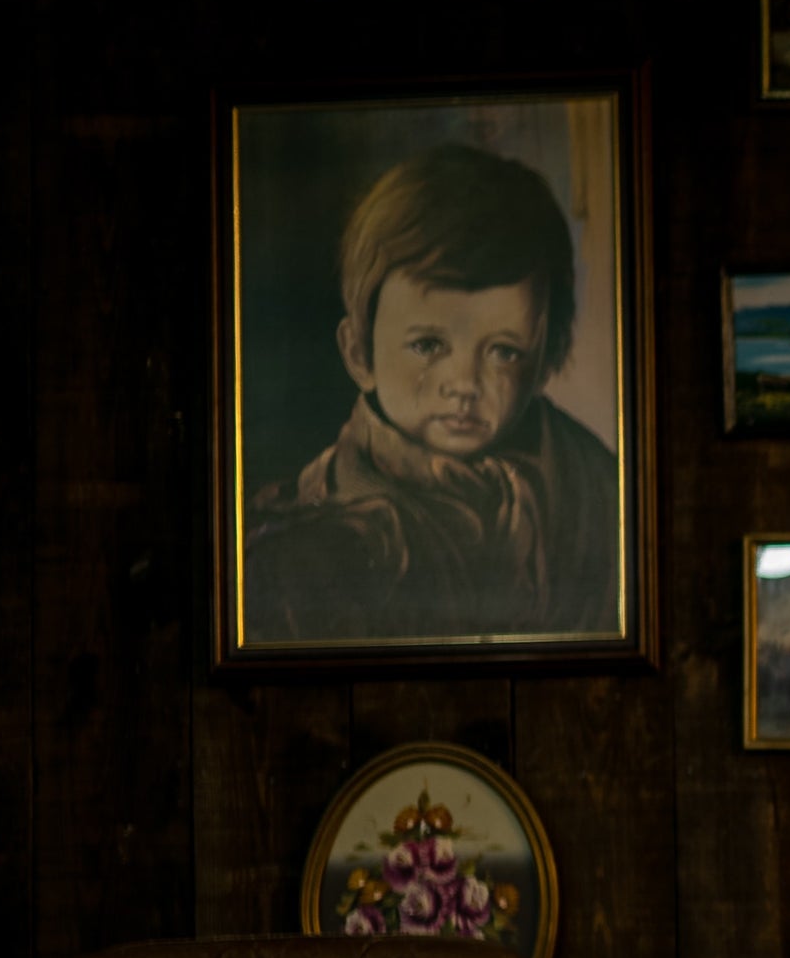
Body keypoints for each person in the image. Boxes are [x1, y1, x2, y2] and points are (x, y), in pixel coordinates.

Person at [243, 142, 618, 646]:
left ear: (544, 358)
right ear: (358, 354)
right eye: (428, 344)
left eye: (504, 352)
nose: (463, 383)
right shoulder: (309, 537)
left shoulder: (597, 487)